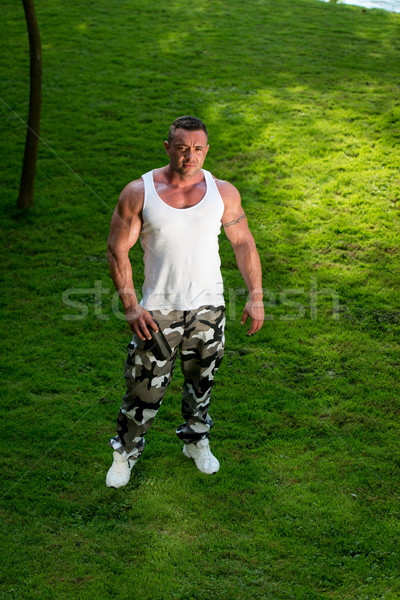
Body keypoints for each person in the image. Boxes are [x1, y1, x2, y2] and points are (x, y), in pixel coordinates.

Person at [106, 116, 264, 488]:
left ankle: (196, 441)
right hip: (157, 311)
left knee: (201, 382)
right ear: (168, 148)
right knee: (144, 387)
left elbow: (243, 243)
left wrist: (255, 295)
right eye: (181, 148)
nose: (189, 156)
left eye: (197, 149)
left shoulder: (222, 192)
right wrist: (130, 304)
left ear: (206, 150)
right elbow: (116, 250)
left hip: (209, 308)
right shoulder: (139, 192)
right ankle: (124, 455)